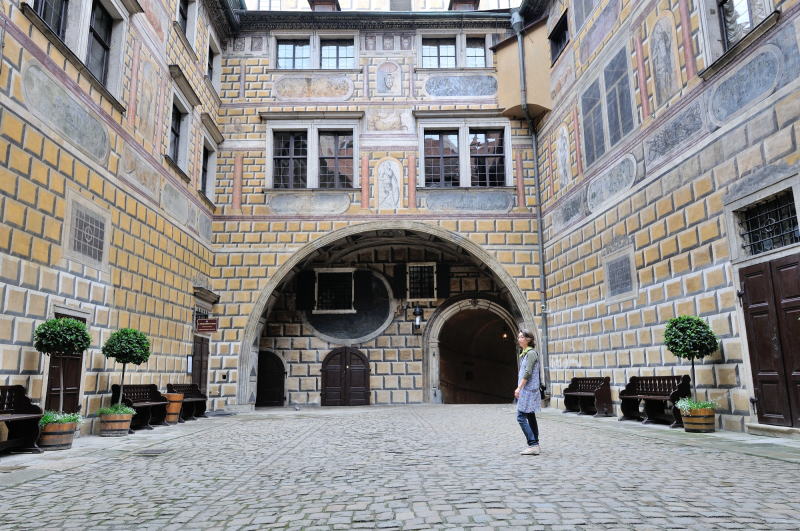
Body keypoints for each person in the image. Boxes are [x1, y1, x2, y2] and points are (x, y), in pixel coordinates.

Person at [515, 329, 541, 455]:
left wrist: (519, 388)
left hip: (528, 390)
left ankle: (533, 444)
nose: (519, 339)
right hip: (528, 390)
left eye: (521, 337)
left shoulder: (531, 353)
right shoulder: (525, 353)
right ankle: (536, 444)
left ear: (528, 339)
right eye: (519, 337)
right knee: (530, 416)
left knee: (520, 417)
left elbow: (528, 372)